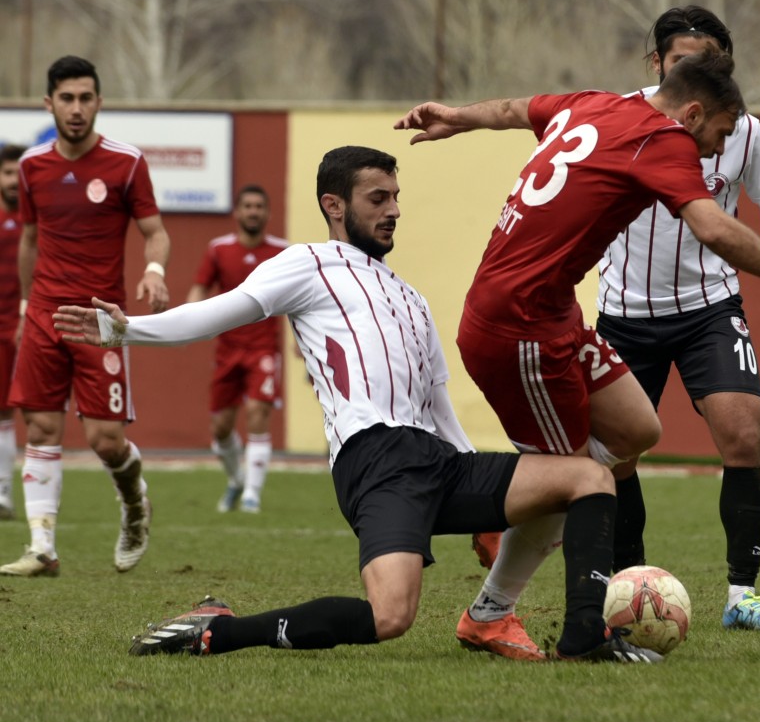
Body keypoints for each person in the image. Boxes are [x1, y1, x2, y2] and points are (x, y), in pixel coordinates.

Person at [53, 145, 661, 663]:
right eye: (378, 198)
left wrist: (484, 510)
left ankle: (587, 637)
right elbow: (217, 313)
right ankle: (219, 630)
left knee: (587, 476)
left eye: (396, 196)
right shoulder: (305, 263)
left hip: (440, 460)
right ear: (334, 205)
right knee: (390, 617)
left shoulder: (413, 299)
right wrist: (123, 329)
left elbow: (438, 404)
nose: (394, 209)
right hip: (376, 461)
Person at [394, 47, 760, 658]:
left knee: (637, 428)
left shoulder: (595, 104)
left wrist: (458, 117)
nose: (719, 148)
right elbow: (712, 227)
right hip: (519, 327)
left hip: (555, 316)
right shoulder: (665, 141)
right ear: (691, 112)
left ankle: (526, 505)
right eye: (721, 130)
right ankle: (504, 613)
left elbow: (513, 108)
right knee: (581, 479)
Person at [593, 6, 760, 633]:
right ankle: (630, 593)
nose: (696, 72)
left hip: (709, 306)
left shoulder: (744, 131)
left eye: (710, 62)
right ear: (656, 63)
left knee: (744, 437)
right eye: (684, 59)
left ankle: (743, 596)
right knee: (616, 457)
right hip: (624, 313)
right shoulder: (614, 119)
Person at [0, 56, 170, 578]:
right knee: (42, 427)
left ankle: (136, 505)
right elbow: (30, 239)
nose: (77, 109)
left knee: (105, 441)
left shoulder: (126, 163)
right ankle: (43, 548)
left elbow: (155, 231)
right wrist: (29, 306)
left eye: (86, 98)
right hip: (46, 315)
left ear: (99, 102)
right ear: (48, 103)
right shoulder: (32, 166)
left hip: (100, 320)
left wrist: (156, 270)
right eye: (67, 98)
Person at [187, 185, 288, 514]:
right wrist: (188, 317)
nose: (253, 212)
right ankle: (236, 481)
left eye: (259, 206)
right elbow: (200, 287)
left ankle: (252, 497)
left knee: (259, 414)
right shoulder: (218, 250)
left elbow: (297, 300)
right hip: (227, 350)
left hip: (263, 349)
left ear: (267, 213)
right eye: (248, 206)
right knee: (220, 427)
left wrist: (302, 341)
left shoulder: (282, 252)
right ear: (237, 212)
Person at [0, 144, 25, 520]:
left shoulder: (39, 222)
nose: (14, 181)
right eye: (7, 173)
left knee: (9, 411)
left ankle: (4, 489)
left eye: (19, 174)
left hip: (19, 326)